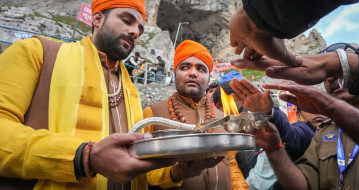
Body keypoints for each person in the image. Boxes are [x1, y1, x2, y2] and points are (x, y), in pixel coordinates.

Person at [0, 0, 173, 189]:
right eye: (126, 20)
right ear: (98, 19)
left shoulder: (130, 88)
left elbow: (132, 162)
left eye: (140, 29)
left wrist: (176, 172)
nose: (135, 32)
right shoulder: (36, 52)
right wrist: (84, 157)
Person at [229, 3, 359, 105]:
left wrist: (257, 18)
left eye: (341, 75)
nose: (332, 79)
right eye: (332, 74)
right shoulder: (324, 132)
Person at [248, 76, 359, 189]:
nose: (330, 78)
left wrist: (334, 110)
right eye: (326, 75)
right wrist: (273, 148)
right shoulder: (324, 131)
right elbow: (303, 184)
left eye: (340, 69)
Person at [142, 40, 248, 190]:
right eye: (185, 67)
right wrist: (174, 174)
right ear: (174, 74)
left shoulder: (222, 118)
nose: (192, 73)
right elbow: (142, 171)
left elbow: (231, 165)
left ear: (209, 79)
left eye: (201, 69)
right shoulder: (153, 113)